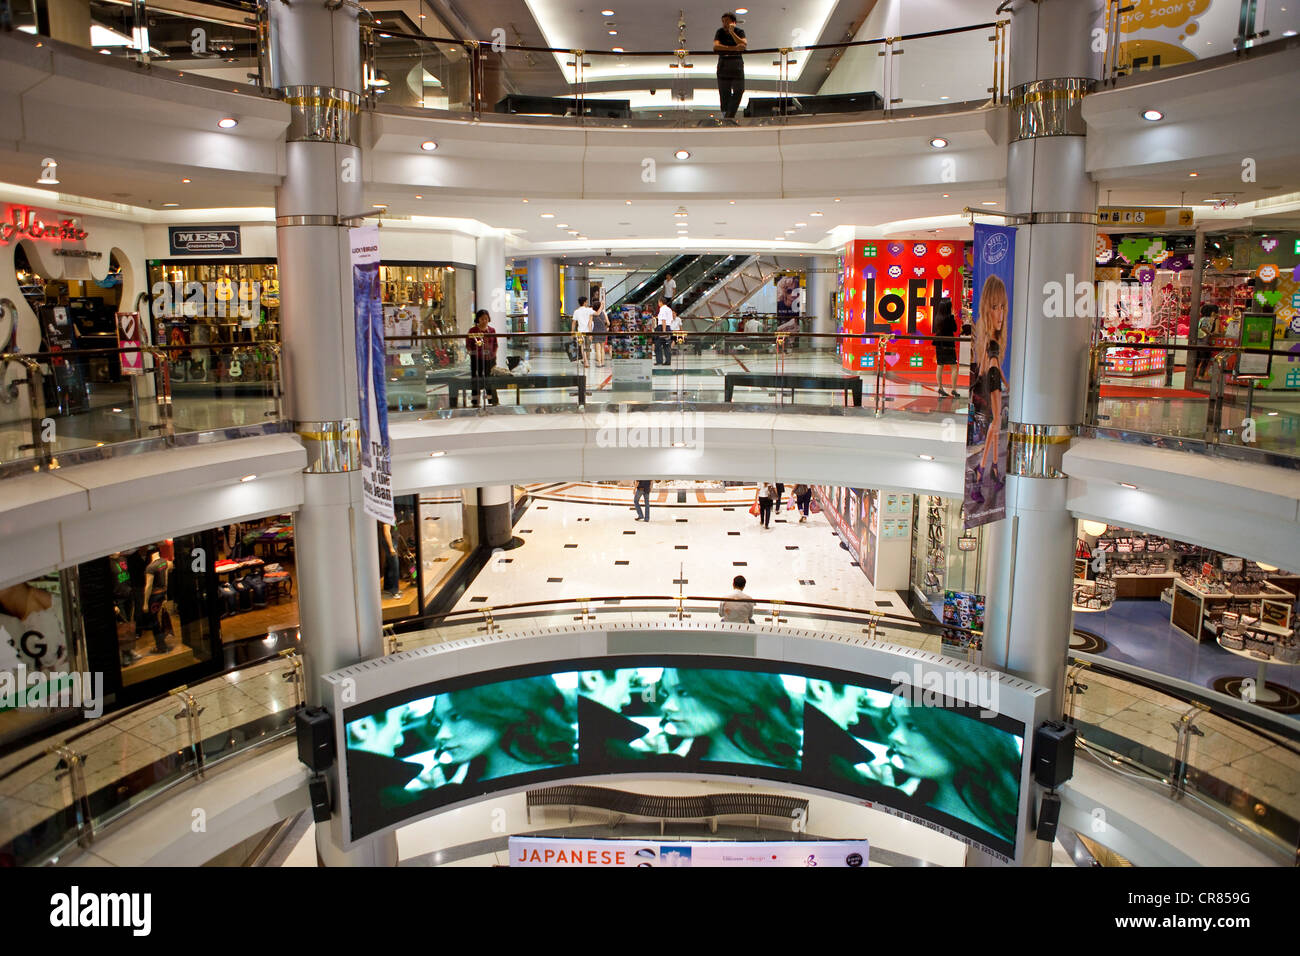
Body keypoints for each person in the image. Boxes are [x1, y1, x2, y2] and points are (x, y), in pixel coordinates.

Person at [880, 697, 1021, 845]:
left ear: (963, 733)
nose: (894, 736)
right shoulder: (899, 798)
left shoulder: (1014, 828)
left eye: (913, 726)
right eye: (894, 724)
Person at [426, 676, 577, 786]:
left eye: (456, 716)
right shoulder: (454, 779)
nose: (441, 735)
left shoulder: (561, 779)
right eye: (439, 723)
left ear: (500, 706)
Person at [658, 668, 801, 769]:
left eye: (683, 692)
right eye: (666, 694)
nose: (667, 706)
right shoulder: (681, 761)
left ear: (731, 690)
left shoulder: (788, 772)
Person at [968, 275, 1007, 507]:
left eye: (1002, 307)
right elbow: (989, 362)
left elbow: (991, 362)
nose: (1000, 314)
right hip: (990, 379)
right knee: (995, 424)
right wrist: (999, 378)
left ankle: (991, 469)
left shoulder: (989, 336)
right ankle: (982, 471)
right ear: (987, 309)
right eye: (995, 308)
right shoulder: (987, 335)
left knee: (996, 423)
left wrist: (1004, 380)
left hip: (992, 378)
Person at [713, 12, 747, 122]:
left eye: (727, 21)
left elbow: (743, 45)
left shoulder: (739, 32)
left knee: (739, 90)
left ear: (733, 22)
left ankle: (728, 117)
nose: (724, 24)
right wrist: (733, 48)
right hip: (723, 64)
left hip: (736, 65)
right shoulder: (720, 32)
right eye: (723, 21)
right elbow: (716, 46)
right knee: (724, 93)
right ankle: (727, 117)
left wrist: (732, 33)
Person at [465, 308, 499, 406]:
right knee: (476, 380)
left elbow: (495, 344)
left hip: (490, 359)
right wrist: (472, 351)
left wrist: (493, 354)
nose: (484, 321)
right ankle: (475, 401)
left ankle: (493, 401)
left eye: (486, 319)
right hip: (477, 360)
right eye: (482, 319)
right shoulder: (473, 330)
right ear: (478, 319)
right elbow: (468, 344)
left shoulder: (492, 330)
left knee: (490, 380)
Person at [933, 297, 960, 397]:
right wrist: (953, 317)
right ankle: (953, 389)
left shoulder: (938, 317)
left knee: (940, 365)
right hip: (948, 344)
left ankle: (940, 387)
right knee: (954, 367)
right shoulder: (949, 317)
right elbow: (954, 328)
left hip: (939, 343)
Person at [1192, 303, 1218, 381]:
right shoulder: (1207, 319)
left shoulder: (1202, 318)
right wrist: (1210, 333)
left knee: (1198, 360)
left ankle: (1194, 375)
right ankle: (1200, 375)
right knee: (1205, 359)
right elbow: (1203, 327)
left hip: (1198, 342)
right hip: (1203, 342)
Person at [380, 523, 402, 600]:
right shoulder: (387, 513)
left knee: (389, 565)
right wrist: (391, 547)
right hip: (390, 542)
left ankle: (387, 587)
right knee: (394, 566)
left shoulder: (391, 513)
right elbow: (386, 531)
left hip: (393, 541)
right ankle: (394, 591)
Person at [572, 295, 595, 368]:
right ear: (584, 302)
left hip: (579, 332)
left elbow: (574, 322)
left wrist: (572, 331)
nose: (587, 303)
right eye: (586, 302)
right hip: (588, 331)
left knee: (582, 346)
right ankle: (586, 360)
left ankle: (585, 360)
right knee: (587, 346)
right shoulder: (589, 310)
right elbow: (597, 313)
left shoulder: (576, 311)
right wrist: (602, 306)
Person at [655, 297, 675, 366]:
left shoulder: (662, 309)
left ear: (660, 302)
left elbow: (663, 320)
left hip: (662, 328)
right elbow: (671, 320)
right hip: (668, 327)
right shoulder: (669, 309)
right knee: (666, 345)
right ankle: (668, 361)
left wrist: (663, 331)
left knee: (657, 345)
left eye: (658, 302)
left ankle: (659, 361)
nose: (658, 304)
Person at [591, 296, 609, 366]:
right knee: (602, 348)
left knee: (597, 349)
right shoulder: (604, 313)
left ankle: (599, 363)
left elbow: (590, 324)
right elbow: (608, 323)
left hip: (595, 332)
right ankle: (603, 362)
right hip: (603, 331)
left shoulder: (592, 314)